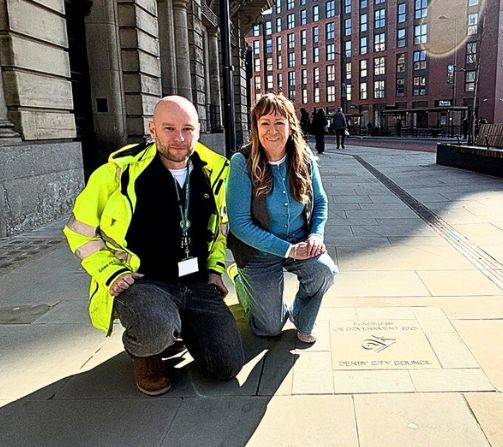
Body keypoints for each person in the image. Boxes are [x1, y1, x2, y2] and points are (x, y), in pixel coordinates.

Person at [63, 96, 244, 396]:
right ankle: (146, 350)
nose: (180, 138)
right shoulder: (119, 172)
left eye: (187, 129)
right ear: (152, 129)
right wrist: (110, 272)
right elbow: (78, 232)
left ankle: (177, 326)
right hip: (146, 282)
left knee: (226, 365)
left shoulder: (214, 171)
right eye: (169, 128)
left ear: (198, 131)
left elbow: (218, 230)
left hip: (197, 283)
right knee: (154, 327)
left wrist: (214, 270)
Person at [226, 93, 337, 344]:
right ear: (255, 128)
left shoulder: (304, 157)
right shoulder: (241, 163)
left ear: (290, 125)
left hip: (300, 239)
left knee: (324, 270)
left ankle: (303, 315)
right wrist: (288, 250)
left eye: (279, 122)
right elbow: (240, 224)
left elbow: (320, 201)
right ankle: (242, 283)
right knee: (269, 328)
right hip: (257, 250)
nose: (272, 130)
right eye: (265, 123)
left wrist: (316, 235)